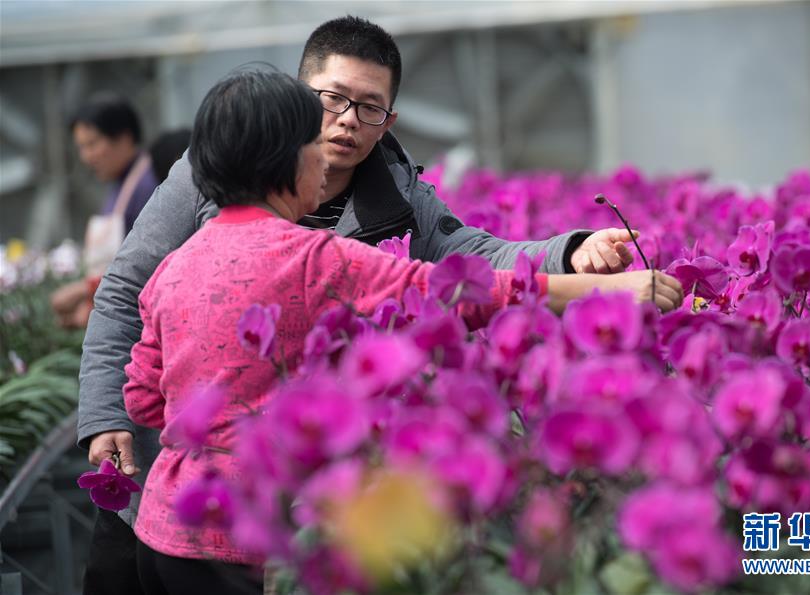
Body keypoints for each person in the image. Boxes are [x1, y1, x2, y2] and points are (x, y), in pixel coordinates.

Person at [76, 16, 679, 594]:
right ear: (298, 95)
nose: (346, 123)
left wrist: (567, 254)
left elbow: (465, 254)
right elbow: (126, 288)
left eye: (369, 109)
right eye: (331, 101)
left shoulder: (393, 192)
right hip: (225, 514)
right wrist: (105, 417)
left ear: (388, 120)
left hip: (270, 494)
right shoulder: (217, 179)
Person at [51, 92, 157, 329]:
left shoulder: (147, 185)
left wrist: (85, 289)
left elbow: (148, 263)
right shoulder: (121, 186)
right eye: (81, 147)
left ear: (124, 138)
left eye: (92, 144)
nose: (86, 157)